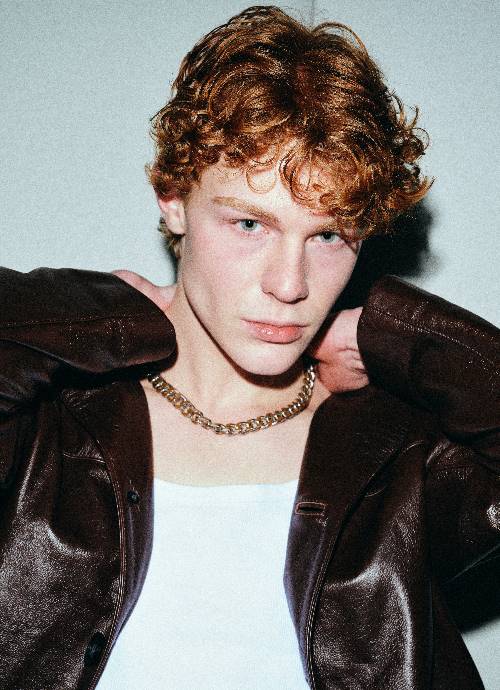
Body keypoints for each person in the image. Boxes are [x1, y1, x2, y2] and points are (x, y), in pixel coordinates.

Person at [0, 5, 498, 690]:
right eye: (249, 224)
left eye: (328, 235)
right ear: (173, 200)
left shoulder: (399, 456)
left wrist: (384, 331)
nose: (289, 285)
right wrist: (104, 314)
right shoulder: (44, 430)